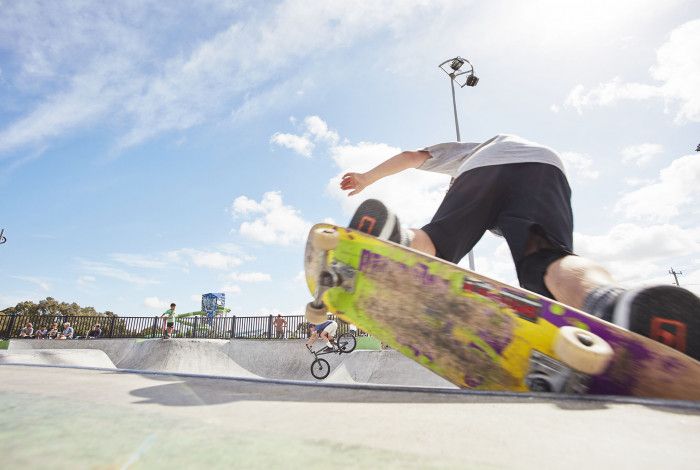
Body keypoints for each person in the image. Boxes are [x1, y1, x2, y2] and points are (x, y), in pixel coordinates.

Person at [340, 134, 700, 360]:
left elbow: (411, 155)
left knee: (435, 240)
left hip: (481, 169)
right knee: (548, 259)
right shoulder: (507, 147)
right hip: (544, 165)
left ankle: (396, 238)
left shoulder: (470, 154)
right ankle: (611, 302)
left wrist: (367, 178)